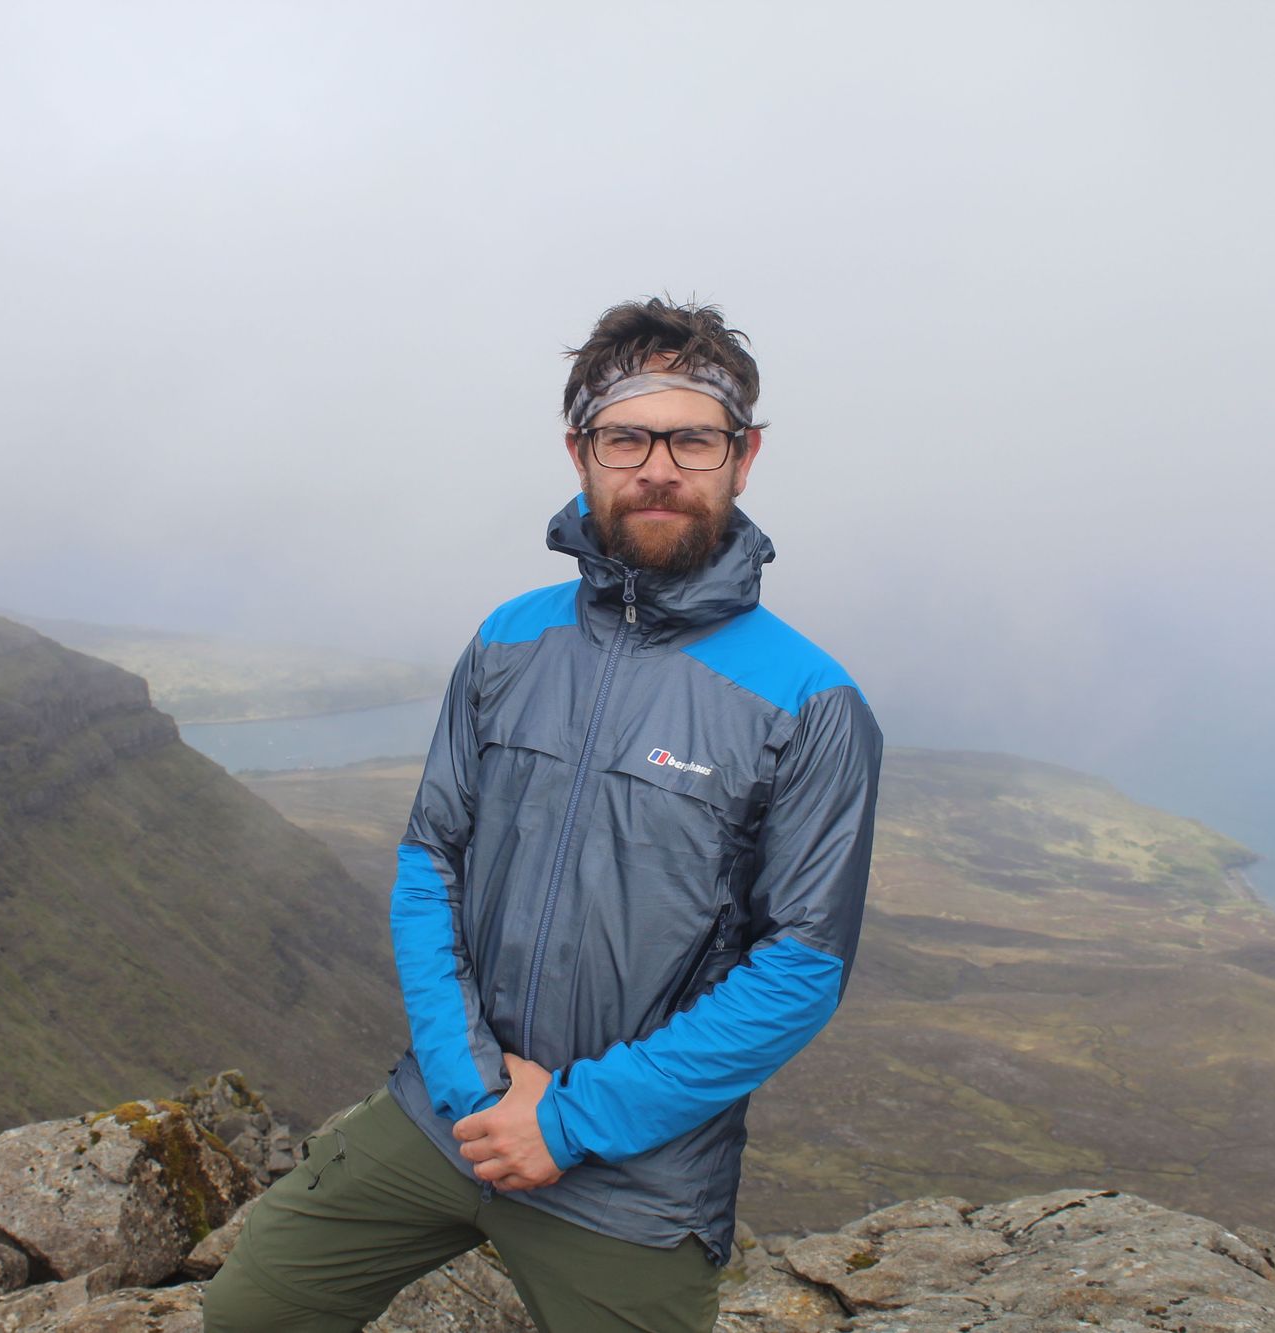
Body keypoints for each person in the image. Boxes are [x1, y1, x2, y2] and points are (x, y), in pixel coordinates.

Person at [204, 298, 884, 1332]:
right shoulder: (508, 641)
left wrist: (565, 1122)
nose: (657, 466)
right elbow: (432, 857)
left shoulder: (809, 702)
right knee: (254, 1309)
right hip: (449, 1116)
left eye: (691, 438)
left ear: (741, 458)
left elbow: (800, 966)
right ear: (580, 453)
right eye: (624, 437)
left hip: (631, 1174)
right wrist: (475, 1091)